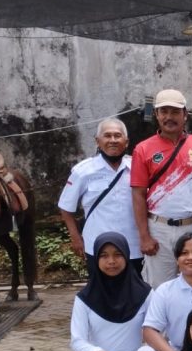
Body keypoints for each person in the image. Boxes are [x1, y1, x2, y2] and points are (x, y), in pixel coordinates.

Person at [130, 89, 192, 288]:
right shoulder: (143, 149)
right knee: (159, 287)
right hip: (160, 230)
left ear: (185, 114)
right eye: (163, 111)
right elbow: (138, 194)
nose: (169, 117)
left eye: (174, 112)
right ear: (156, 115)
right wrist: (144, 236)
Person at [58, 118, 143, 275]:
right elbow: (65, 207)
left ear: (126, 141)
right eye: (107, 136)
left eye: (117, 136)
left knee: (136, 294)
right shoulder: (83, 171)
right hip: (98, 248)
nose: (112, 140)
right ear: (98, 141)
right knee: (103, 295)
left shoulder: (138, 167)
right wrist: (76, 238)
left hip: (135, 246)